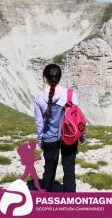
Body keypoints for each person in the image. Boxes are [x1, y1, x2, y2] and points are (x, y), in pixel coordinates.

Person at [34, 64, 85, 192]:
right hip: (69, 137)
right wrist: (82, 136)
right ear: (60, 77)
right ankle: (70, 198)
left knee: (49, 167)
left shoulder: (39, 98)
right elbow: (77, 116)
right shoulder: (69, 93)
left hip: (49, 138)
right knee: (69, 168)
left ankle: (46, 196)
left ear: (44, 77)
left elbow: (39, 124)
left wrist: (40, 141)